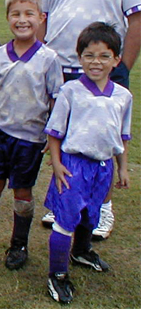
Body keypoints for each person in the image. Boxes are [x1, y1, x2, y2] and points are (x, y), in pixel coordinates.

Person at [36, 0, 141, 241]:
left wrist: (123, 67)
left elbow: (136, 18)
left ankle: (103, 207)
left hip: (104, 69)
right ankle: (64, 199)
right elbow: (42, 16)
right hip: (60, 69)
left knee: (104, 138)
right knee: (60, 136)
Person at [0, 0, 63, 269]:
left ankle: (18, 245)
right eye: (16, 14)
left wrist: (52, 132)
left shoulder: (49, 58)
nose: (22, 20)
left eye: (29, 14)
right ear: (7, 18)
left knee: (22, 190)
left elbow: (55, 98)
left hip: (30, 138)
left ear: (41, 18)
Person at [44, 22, 131, 304]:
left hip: (102, 168)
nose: (97, 62)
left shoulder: (123, 96)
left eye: (105, 56)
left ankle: (81, 251)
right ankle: (57, 275)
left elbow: (121, 135)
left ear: (116, 59)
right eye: (90, 55)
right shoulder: (70, 91)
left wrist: (122, 167)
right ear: (79, 57)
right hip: (72, 165)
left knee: (89, 217)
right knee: (65, 220)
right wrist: (57, 164)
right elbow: (55, 133)